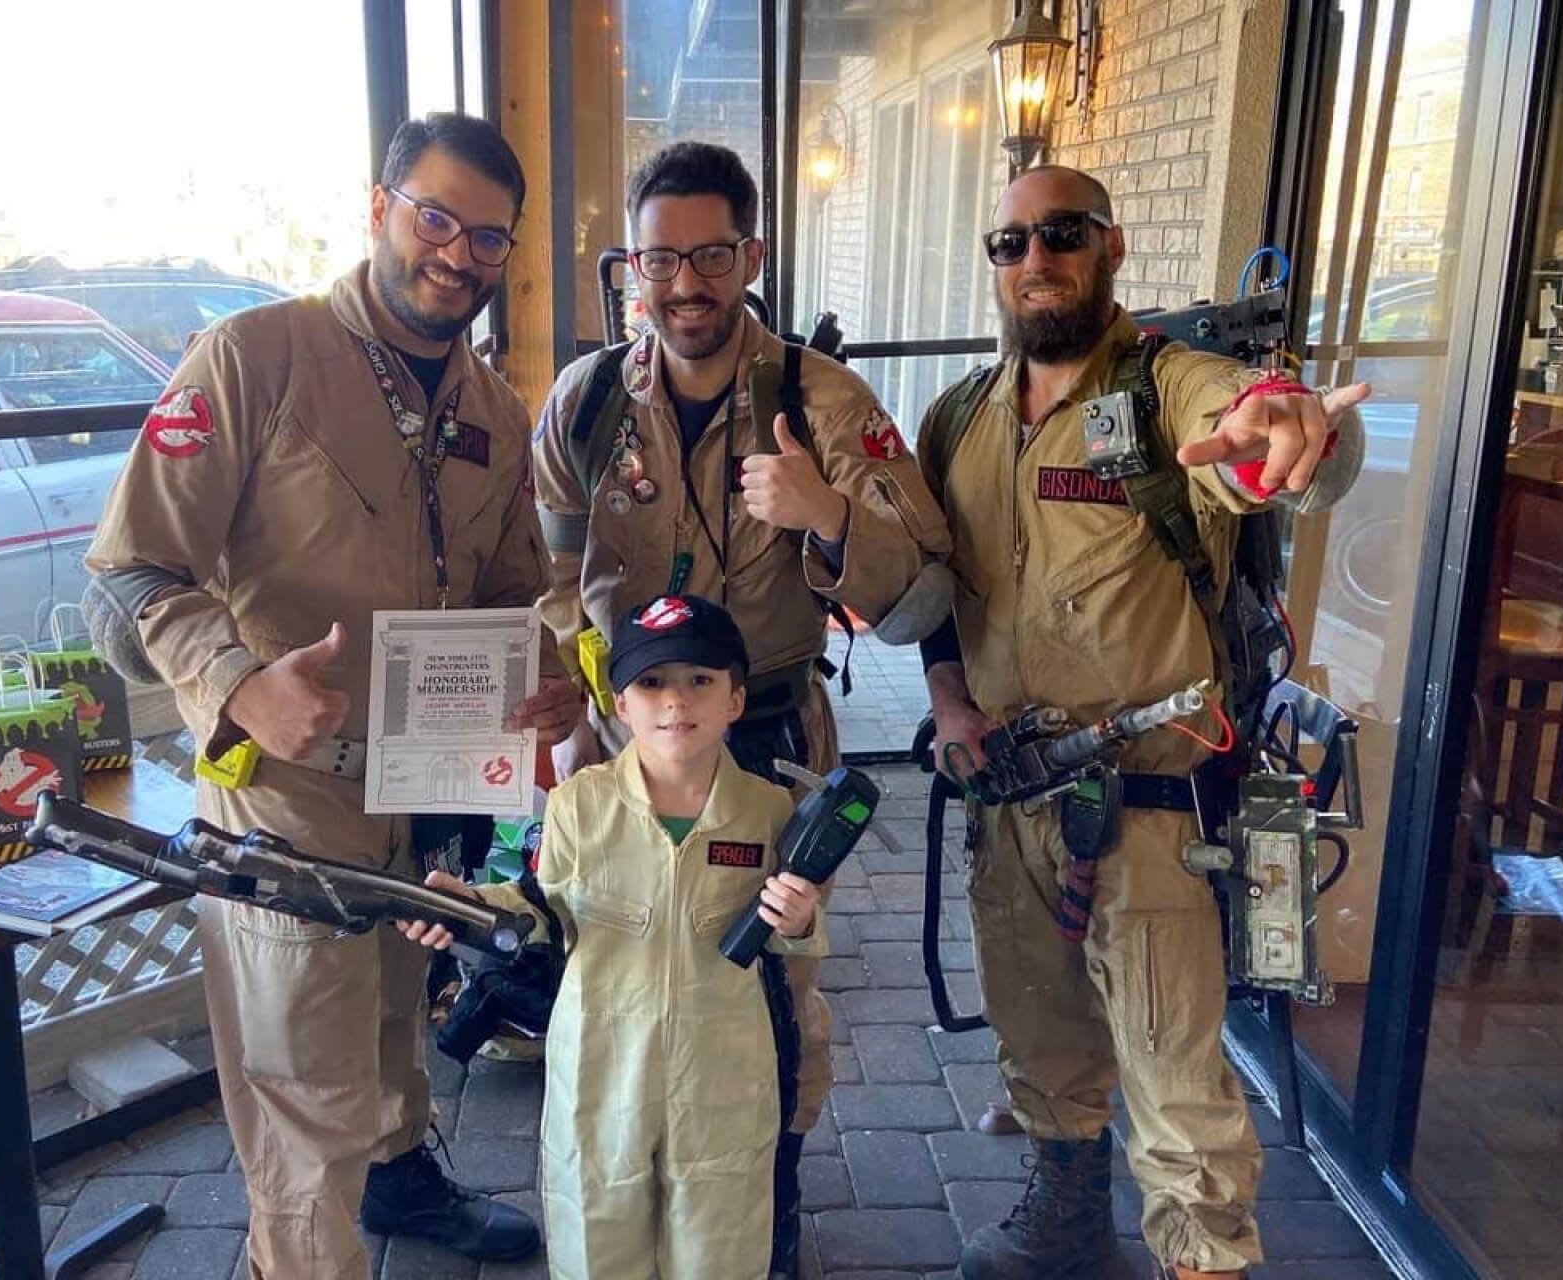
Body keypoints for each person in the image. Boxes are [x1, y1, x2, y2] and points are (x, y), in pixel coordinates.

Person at [81, 113, 586, 1278]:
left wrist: (548, 682)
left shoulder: (496, 411)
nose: (457, 255)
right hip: (283, 805)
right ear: (379, 206)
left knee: (395, 1027)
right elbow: (125, 569)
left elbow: (517, 594)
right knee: (306, 1101)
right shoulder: (254, 358)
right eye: (436, 218)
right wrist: (236, 682)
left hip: (423, 795)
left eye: (489, 238)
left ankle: (402, 1182)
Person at [919, 166, 1368, 1280]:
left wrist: (1290, 431)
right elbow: (935, 586)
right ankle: (1067, 1219)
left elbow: (1267, 443)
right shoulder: (958, 417)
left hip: (1149, 815)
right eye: (1009, 241)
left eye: (1060, 234)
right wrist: (946, 700)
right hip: (1009, 798)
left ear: (1108, 247)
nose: (1034, 259)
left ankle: (1201, 1260)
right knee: (1043, 1040)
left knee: (1174, 1084)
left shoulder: (1172, 391)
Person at [531, 139, 954, 1274]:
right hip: (629, 742)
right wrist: (576, 709)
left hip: (765, 735)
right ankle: (635, 1206)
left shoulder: (820, 401)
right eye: (657, 260)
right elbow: (551, 577)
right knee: (624, 983)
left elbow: (923, 590)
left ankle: (760, 1213)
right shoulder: (583, 408)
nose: (683, 285)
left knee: (765, 988)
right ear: (630, 269)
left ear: (751, 254)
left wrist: (826, 516)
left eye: (710, 254)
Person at [399, 593, 825, 1280]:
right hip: (601, 1054)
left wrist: (801, 921)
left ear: (735, 701)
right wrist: (470, 907)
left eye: (700, 681)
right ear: (620, 706)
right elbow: (540, 907)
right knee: (600, 1221)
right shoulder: (579, 804)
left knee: (719, 1232)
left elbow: (787, 943)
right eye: (651, 683)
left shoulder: (768, 810)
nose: (674, 702)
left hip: (723, 1064)